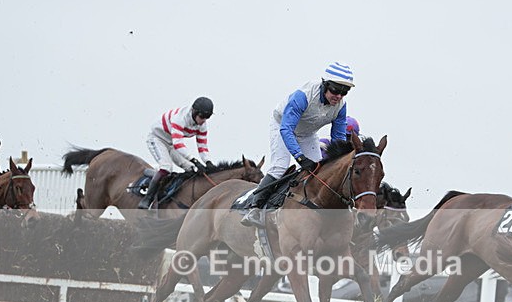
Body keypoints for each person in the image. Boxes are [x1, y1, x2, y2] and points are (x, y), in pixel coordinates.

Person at [242, 62, 354, 227]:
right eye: (335, 90)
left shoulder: (341, 107)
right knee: (280, 166)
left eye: (344, 92)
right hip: (282, 126)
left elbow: (338, 138)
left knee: (319, 170)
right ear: (325, 85)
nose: (338, 96)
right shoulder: (304, 95)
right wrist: (300, 158)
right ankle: (255, 207)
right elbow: (287, 129)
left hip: (307, 134)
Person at [139, 96, 216, 209]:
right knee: (166, 167)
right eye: (202, 117)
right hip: (157, 139)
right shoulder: (180, 119)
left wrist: (208, 162)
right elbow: (178, 144)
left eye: (207, 118)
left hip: (171, 143)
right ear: (194, 112)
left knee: (191, 169)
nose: (203, 121)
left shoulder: (202, 125)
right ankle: (147, 199)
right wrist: (195, 160)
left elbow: (202, 146)